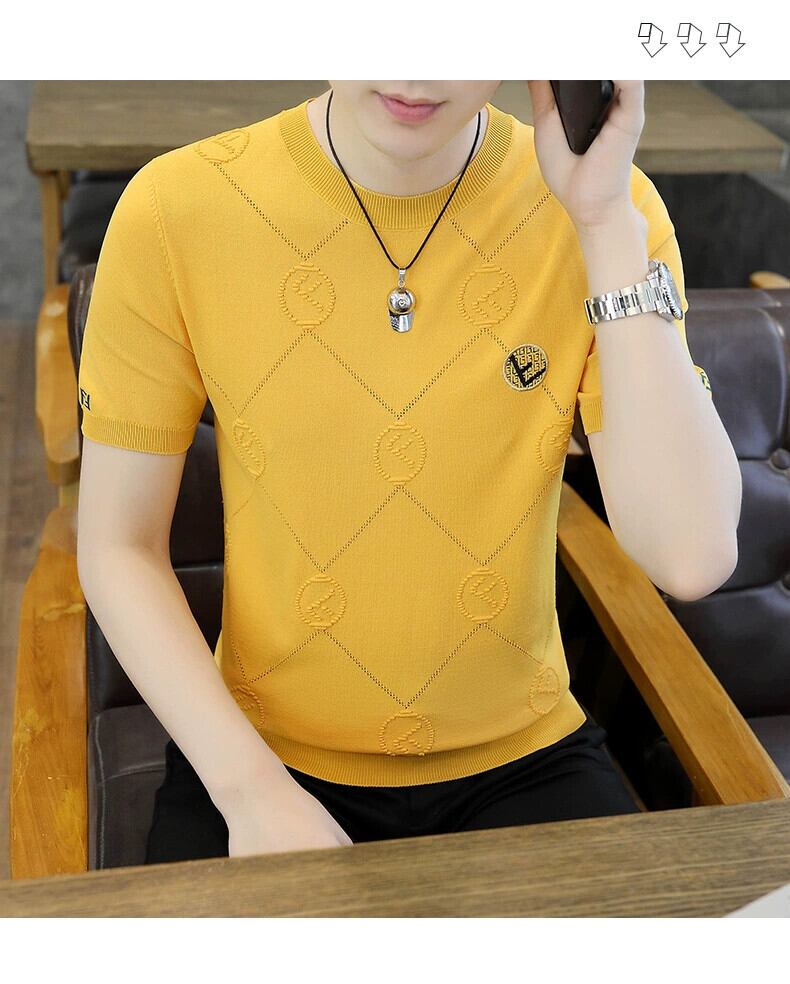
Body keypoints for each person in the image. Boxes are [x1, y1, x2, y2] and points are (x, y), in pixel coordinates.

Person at [76, 81, 738, 864]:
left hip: (525, 755)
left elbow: (691, 557)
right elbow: (119, 545)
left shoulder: (613, 209)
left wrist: (602, 224)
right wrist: (251, 791)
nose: (418, 73)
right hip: (258, 755)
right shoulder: (176, 208)